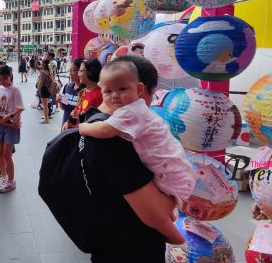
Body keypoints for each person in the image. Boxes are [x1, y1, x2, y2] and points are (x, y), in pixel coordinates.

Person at [39, 54, 184, 262]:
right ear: (139, 91)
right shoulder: (115, 141)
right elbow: (157, 212)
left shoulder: (93, 119)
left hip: (106, 238)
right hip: (131, 248)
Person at [78, 58, 196, 203]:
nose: (115, 95)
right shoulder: (138, 110)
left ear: (140, 89)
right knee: (163, 213)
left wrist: (82, 127)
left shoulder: (130, 112)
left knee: (161, 219)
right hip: (179, 174)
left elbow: (104, 130)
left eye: (122, 89)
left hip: (172, 178)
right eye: (108, 91)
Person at [0, 65, 24, 193]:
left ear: (9, 76)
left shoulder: (15, 89)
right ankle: (4, 177)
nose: (1, 82)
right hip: (0, 123)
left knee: (7, 154)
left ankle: (11, 181)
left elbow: (20, 108)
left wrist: (8, 116)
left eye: (3, 79)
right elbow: (0, 104)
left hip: (10, 124)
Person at [63, 58, 102, 131]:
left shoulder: (99, 95)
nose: (78, 74)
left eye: (81, 71)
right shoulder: (82, 92)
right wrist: (68, 122)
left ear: (90, 72)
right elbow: (76, 110)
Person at [57, 58, 84, 131]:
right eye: (70, 70)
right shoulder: (67, 87)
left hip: (78, 128)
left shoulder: (86, 90)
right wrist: (60, 101)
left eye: (73, 70)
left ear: (81, 72)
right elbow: (64, 108)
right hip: (65, 125)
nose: (70, 73)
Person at [37, 60, 54, 124]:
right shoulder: (49, 71)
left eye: (42, 63)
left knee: (45, 106)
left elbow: (41, 82)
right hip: (49, 89)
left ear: (44, 64)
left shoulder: (43, 73)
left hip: (44, 89)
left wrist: (38, 89)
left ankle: (46, 120)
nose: (41, 64)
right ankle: (47, 118)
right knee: (46, 105)